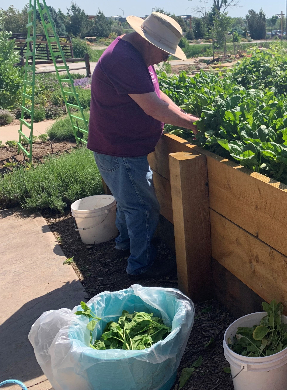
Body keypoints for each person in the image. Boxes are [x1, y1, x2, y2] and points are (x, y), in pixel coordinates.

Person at [87, 12, 200, 278]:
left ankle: (125, 244)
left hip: (117, 148)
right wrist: (193, 125)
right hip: (120, 151)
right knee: (142, 208)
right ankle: (142, 266)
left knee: (128, 203)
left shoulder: (134, 54)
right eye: (165, 51)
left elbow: (158, 97)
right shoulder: (124, 60)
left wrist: (186, 117)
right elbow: (154, 108)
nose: (166, 58)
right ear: (149, 42)